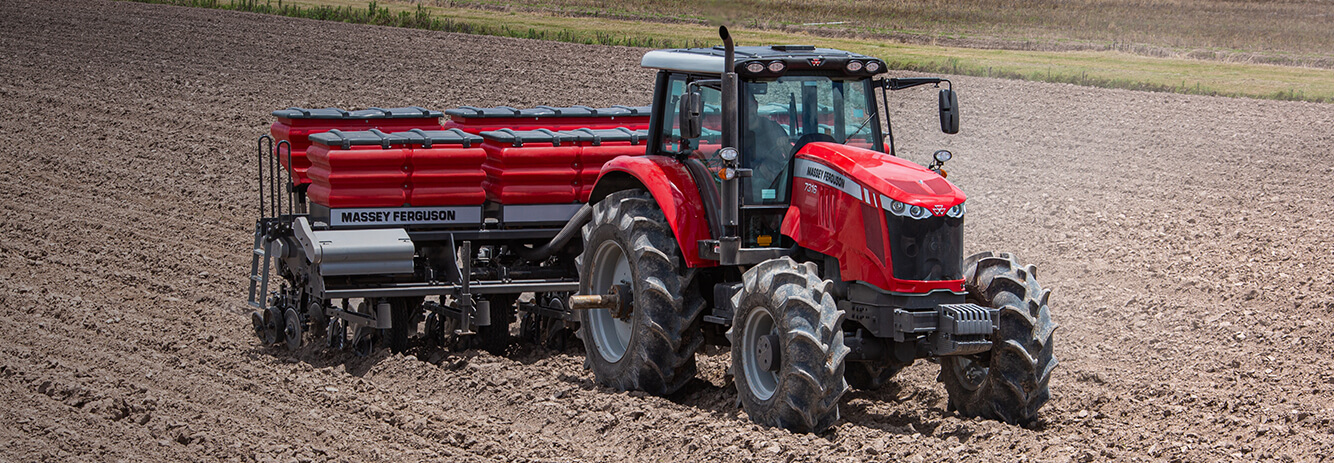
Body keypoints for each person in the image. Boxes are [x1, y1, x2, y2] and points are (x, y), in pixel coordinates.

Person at [742, 94, 792, 202]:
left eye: (749, 106)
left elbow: (791, 157)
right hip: (744, 184)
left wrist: (785, 145)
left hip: (772, 181)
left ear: (756, 105)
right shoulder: (734, 132)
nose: (747, 110)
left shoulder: (773, 128)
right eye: (743, 107)